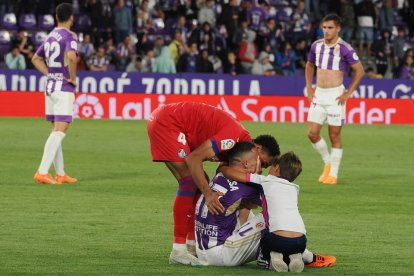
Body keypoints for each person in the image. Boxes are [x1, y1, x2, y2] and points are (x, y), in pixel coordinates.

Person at [147, 102, 279, 265]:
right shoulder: (232, 138)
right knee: (189, 182)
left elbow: (221, 175)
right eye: (263, 164)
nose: (260, 170)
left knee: (198, 181)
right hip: (168, 122)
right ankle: (178, 250)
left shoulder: (239, 150)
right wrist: (208, 194)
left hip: (170, 120)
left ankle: (191, 245)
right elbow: (194, 158)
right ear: (257, 149)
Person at [199, 143, 336, 269]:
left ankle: (280, 254)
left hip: (203, 250)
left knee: (259, 213)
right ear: (245, 163)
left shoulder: (219, 177)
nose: (259, 168)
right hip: (222, 254)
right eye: (257, 163)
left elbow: (233, 185)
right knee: (269, 216)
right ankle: (291, 258)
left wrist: (222, 167)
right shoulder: (256, 187)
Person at [305, 14, 364, 185]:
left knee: (334, 136)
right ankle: (328, 163)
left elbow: (359, 71)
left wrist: (348, 92)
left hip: (335, 97)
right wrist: (309, 87)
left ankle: (334, 174)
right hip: (319, 94)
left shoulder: (345, 48)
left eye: (330, 27)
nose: (326, 31)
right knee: (312, 133)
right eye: (324, 27)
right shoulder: (316, 46)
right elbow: (309, 66)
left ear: (338, 28)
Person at [31, 3, 78, 185]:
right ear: (71, 18)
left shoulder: (50, 36)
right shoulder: (69, 36)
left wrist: (50, 74)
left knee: (55, 130)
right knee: (61, 129)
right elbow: (72, 57)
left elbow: (36, 58)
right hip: (63, 88)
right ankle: (42, 171)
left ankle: (60, 173)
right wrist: (72, 78)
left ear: (57, 16)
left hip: (50, 87)